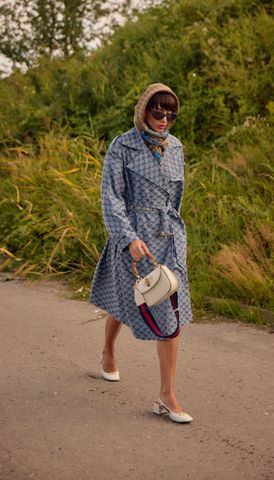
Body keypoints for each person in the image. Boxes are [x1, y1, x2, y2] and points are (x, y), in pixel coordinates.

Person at [90, 83, 193, 423]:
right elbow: (111, 197)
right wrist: (128, 237)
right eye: (157, 112)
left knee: (170, 316)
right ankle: (108, 351)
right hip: (134, 239)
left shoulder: (176, 146)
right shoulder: (122, 146)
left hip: (168, 239)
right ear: (143, 110)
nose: (164, 119)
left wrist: (175, 231)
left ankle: (166, 395)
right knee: (125, 301)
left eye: (171, 114)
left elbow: (174, 197)